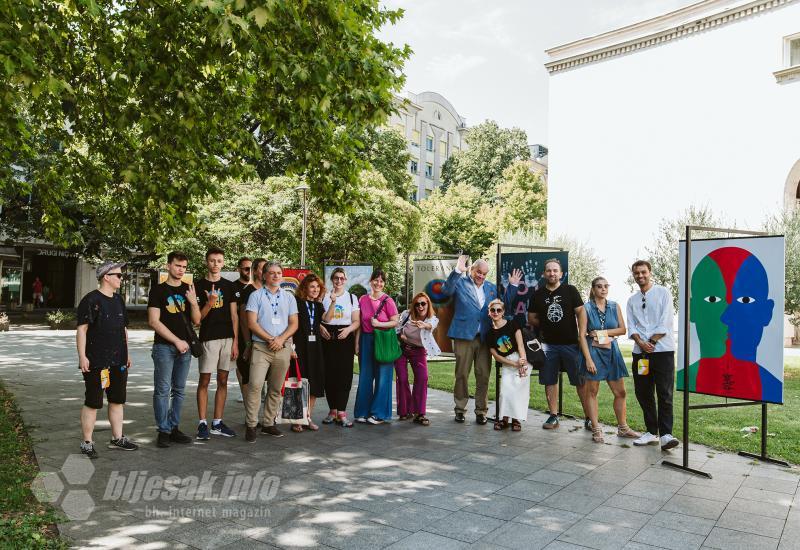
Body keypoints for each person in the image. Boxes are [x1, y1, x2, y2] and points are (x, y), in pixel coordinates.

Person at [680, 248, 781, 403]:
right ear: (692, 310)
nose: (726, 316)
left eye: (745, 300)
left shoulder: (773, 388)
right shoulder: (684, 379)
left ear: (766, 312)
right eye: (712, 299)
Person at [76, 261, 138, 458]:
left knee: (117, 400)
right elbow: (82, 330)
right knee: (93, 401)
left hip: (118, 361)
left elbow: (124, 329)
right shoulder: (91, 300)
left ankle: (117, 438)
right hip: (96, 361)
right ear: (106, 277)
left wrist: (127, 354)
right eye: (118, 275)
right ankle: (87, 442)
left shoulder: (119, 300)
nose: (121, 278)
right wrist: (82, 356)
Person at [525, 259, 589, 430]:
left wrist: (581, 332)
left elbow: (581, 312)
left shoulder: (570, 290)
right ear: (544, 274)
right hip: (547, 345)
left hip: (571, 344)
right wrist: (547, 324)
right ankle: (553, 416)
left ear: (561, 274)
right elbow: (531, 318)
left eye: (555, 270)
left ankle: (589, 417)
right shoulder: (537, 295)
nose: (552, 273)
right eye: (548, 271)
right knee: (549, 379)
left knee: (580, 381)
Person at [577, 277, 640, 443]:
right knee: (592, 392)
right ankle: (596, 428)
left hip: (612, 352)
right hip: (594, 352)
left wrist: (600, 333)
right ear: (593, 288)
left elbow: (622, 329)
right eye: (599, 286)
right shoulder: (586, 308)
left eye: (606, 286)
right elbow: (582, 336)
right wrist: (588, 359)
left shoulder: (614, 306)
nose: (603, 289)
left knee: (621, 392)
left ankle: (623, 428)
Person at [147, 251, 201, 448]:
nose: (181, 270)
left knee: (179, 390)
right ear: (169, 265)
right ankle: (163, 430)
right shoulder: (158, 290)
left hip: (185, 349)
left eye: (184, 267)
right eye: (178, 265)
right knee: (162, 390)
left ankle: (174, 427)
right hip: (164, 347)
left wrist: (194, 302)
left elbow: (196, 321)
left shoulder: (188, 289)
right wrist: (177, 340)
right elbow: (153, 321)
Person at [626, 260, 679, 451]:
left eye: (643, 272)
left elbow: (665, 321)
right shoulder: (631, 300)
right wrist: (640, 343)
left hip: (662, 351)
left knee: (664, 393)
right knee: (643, 392)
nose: (640, 276)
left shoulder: (663, 293)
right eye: (636, 273)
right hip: (640, 354)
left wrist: (653, 342)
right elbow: (631, 326)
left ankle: (666, 435)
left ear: (650, 273)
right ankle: (651, 431)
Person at [441, 255, 498, 425]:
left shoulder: (491, 288)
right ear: (472, 269)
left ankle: (481, 411)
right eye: (479, 272)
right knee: (462, 374)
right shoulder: (460, 282)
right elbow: (446, 290)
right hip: (464, 335)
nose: (481, 276)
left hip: (485, 338)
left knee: (483, 375)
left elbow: (500, 306)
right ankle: (460, 409)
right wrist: (458, 270)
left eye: (484, 274)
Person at [244, 261, 298, 441]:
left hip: (282, 348)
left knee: (275, 388)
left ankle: (268, 423)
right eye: (272, 273)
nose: (276, 276)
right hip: (261, 347)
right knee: (255, 385)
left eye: (279, 273)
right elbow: (252, 323)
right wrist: (270, 339)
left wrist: (281, 340)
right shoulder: (255, 295)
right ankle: (251, 425)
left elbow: (294, 324)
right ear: (264, 275)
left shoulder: (289, 297)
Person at [194, 247, 238, 440]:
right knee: (204, 381)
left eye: (219, 260)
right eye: (212, 260)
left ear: (223, 263)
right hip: (208, 338)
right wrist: (209, 303)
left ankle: (217, 422)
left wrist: (236, 342)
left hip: (227, 339)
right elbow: (197, 319)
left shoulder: (229, 286)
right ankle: (202, 422)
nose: (215, 264)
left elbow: (235, 316)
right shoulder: (197, 285)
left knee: (223, 381)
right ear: (206, 262)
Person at [354, 269, 399, 425]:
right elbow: (360, 323)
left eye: (381, 281)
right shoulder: (363, 300)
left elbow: (395, 321)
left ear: (384, 283)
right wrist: (357, 342)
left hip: (384, 339)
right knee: (365, 376)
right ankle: (362, 411)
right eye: (376, 280)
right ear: (370, 281)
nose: (378, 283)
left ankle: (379, 414)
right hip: (366, 339)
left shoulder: (388, 301)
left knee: (383, 377)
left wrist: (380, 324)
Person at [320, 267, 360, 427]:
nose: (339, 281)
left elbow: (356, 321)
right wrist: (320, 327)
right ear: (332, 279)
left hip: (345, 336)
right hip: (328, 337)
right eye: (336, 278)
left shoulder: (351, 298)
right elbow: (317, 317)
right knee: (329, 374)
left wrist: (349, 330)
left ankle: (342, 412)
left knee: (344, 375)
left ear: (345, 280)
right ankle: (332, 410)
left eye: (342, 278)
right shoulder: (324, 296)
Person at [394, 292, 440, 426]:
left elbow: (432, 325)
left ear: (428, 304)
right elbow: (397, 328)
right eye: (417, 304)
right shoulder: (406, 314)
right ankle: (405, 410)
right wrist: (401, 335)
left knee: (422, 377)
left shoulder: (432, 318)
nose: (420, 306)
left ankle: (419, 413)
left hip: (418, 350)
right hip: (402, 349)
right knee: (402, 378)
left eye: (423, 303)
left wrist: (424, 325)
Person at [487, 299, 531, 432]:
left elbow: (521, 345)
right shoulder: (489, 334)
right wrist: (513, 364)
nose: (495, 312)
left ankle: (516, 420)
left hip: (520, 357)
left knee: (518, 391)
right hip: (507, 362)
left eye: (498, 310)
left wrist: (522, 363)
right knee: (505, 391)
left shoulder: (513, 325)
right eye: (493, 310)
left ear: (503, 312)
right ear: (489, 313)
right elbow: (496, 356)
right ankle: (504, 419)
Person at [293, 273, 326, 432]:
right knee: (299, 382)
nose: (315, 289)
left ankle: (307, 418)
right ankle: (296, 419)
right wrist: (291, 347)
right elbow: (291, 325)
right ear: (305, 287)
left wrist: (332, 301)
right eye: (312, 286)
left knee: (314, 383)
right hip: (300, 347)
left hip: (315, 348)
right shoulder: (297, 303)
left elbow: (326, 320)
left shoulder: (319, 306)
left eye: (318, 287)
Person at [237, 258, 266, 403]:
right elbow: (243, 321)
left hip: (267, 342)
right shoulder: (248, 291)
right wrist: (248, 345)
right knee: (249, 377)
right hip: (250, 341)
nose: (266, 271)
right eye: (262, 268)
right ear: (255, 271)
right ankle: (250, 416)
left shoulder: (270, 291)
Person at [232, 257, 252, 402]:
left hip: (256, 332)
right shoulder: (233, 287)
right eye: (246, 268)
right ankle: (243, 390)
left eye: (251, 268)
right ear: (238, 269)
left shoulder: (258, 288)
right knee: (241, 363)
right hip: (239, 332)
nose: (249, 271)